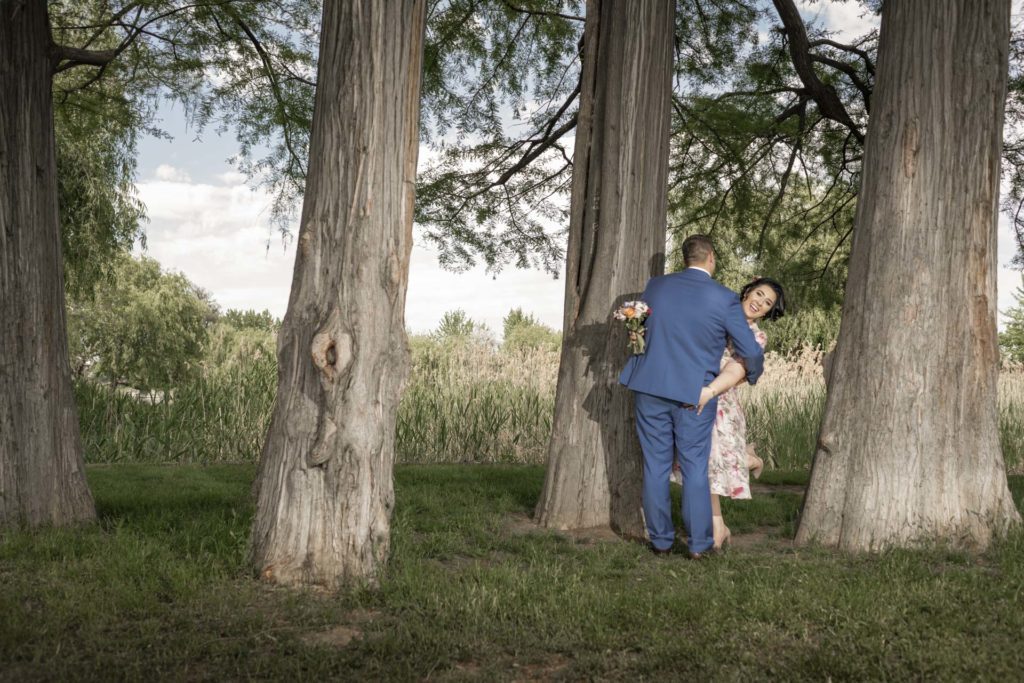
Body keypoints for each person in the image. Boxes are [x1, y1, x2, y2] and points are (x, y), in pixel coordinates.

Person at [619, 235, 765, 559]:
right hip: (693, 393)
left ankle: (660, 542)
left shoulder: (656, 286)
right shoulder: (724, 298)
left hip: (650, 387)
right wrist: (751, 374)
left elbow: (641, 329)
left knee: (655, 466)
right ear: (710, 257)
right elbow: (750, 350)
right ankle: (699, 545)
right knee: (694, 467)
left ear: (686, 258)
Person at [688, 277, 786, 549]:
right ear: (747, 291)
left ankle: (749, 462)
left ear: (768, 311)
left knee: (710, 464)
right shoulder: (719, 317)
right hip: (696, 394)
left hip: (721, 403)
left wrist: (711, 388)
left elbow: (736, 372)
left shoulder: (757, 337)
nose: (759, 303)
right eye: (758, 294)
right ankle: (719, 526)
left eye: (767, 303)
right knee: (708, 465)